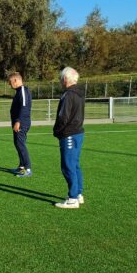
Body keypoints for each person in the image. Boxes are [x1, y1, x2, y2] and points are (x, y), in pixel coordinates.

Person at [53, 67, 86, 209]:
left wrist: (57, 131)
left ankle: (73, 199)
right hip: (78, 132)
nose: (60, 81)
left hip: (69, 134)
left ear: (65, 79)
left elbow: (63, 117)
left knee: (68, 166)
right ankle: (78, 194)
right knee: (75, 164)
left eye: (61, 78)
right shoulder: (79, 93)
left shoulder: (68, 95)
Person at [8, 72, 33, 177]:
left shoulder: (22, 90)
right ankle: (22, 166)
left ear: (15, 80)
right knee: (18, 144)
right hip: (18, 122)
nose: (10, 85)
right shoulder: (18, 91)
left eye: (10, 82)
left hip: (21, 122)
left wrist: (18, 121)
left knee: (20, 144)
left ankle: (27, 168)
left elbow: (24, 107)